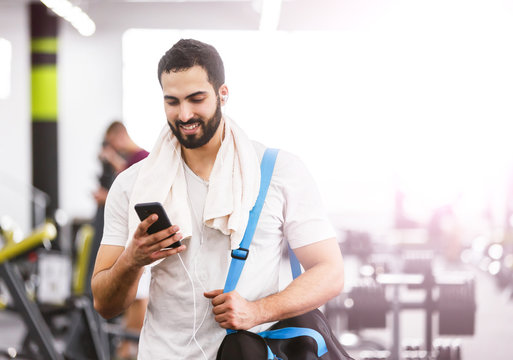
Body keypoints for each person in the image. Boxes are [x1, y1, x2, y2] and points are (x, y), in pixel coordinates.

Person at [91, 39, 344, 360]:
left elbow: (330, 271)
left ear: (222, 93)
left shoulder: (278, 171)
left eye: (196, 99)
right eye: (172, 101)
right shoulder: (132, 184)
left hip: (249, 352)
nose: (184, 114)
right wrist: (133, 259)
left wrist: (258, 311)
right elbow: (104, 303)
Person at [91, 121, 150, 360]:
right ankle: (127, 347)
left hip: (138, 239)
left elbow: (135, 199)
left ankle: (129, 349)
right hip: (123, 241)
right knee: (130, 297)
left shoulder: (142, 159)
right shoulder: (127, 163)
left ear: (119, 136)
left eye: (112, 141)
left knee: (139, 297)